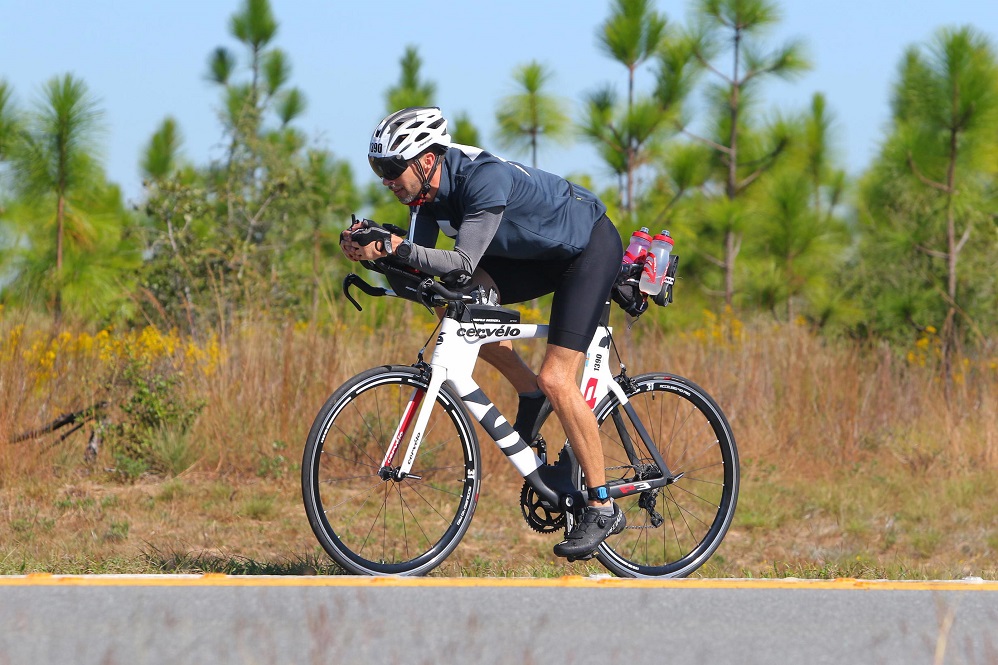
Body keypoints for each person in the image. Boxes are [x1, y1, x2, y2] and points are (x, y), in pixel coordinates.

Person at [340, 106, 625, 560]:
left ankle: (601, 504)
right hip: (533, 258)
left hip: (586, 248)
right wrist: (376, 253)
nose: (386, 179)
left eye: (392, 167)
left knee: (559, 378)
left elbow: (462, 264)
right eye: (379, 169)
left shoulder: (482, 178)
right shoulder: (424, 200)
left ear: (426, 160)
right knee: (454, 305)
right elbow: (423, 273)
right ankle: (529, 393)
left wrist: (395, 246)